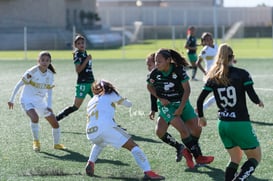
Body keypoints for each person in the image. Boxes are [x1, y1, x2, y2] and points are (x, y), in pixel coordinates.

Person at [196, 43, 263, 181]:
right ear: (232, 57)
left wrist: (201, 117)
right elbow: (251, 94)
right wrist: (258, 101)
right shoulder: (242, 74)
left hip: (223, 124)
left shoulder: (213, 77)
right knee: (255, 157)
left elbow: (199, 100)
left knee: (235, 158)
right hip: (239, 123)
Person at [147, 48, 214, 169]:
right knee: (183, 131)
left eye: (159, 61)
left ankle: (187, 149)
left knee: (197, 129)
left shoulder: (178, 70)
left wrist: (181, 107)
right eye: (155, 61)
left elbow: (187, 90)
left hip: (182, 102)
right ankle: (198, 156)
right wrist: (159, 99)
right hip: (166, 106)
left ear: (168, 60)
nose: (156, 64)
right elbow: (149, 87)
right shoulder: (154, 73)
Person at [85, 80, 165, 180]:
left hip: (90, 133)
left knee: (99, 142)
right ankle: (148, 172)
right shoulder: (110, 94)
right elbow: (128, 104)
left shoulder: (92, 100)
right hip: (105, 128)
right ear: (109, 87)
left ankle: (90, 162)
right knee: (133, 147)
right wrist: (121, 99)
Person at [8, 51, 66, 152]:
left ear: (50, 62)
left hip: (40, 101)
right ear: (38, 61)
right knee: (35, 118)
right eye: (42, 60)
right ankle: (36, 142)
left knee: (55, 123)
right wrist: (11, 99)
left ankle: (57, 144)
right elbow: (19, 84)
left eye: (47, 60)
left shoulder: (50, 74)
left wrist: (49, 106)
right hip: (26, 100)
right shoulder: (32, 71)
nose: (44, 62)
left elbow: (50, 92)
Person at [146, 53, 186, 163]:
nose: (150, 67)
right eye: (149, 65)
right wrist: (153, 109)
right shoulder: (154, 75)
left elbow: (184, 88)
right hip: (165, 106)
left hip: (176, 104)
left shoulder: (170, 71)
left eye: (150, 64)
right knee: (159, 132)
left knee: (185, 130)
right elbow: (153, 92)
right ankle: (179, 147)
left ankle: (194, 153)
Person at [56, 34, 95, 121]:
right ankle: (57, 118)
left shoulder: (85, 53)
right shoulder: (77, 55)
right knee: (76, 106)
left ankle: (110, 123)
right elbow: (78, 70)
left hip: (91, 83)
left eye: (83, 43)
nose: (81, 45)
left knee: (101, 102)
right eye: (79, 43)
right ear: (76, 45)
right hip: (83, 84)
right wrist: (87, 60)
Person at [196, 32, 218, 110]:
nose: (209, 40)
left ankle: (200, 109)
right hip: (210, 75)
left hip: (218, 74)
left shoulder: (217, 46)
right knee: (217, 94)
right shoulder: (204, 51)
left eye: (210, 38)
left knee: (218, 94)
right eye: (207, 39)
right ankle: (200, 109)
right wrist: (205, 72)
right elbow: (198, 63)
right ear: (204, 41)